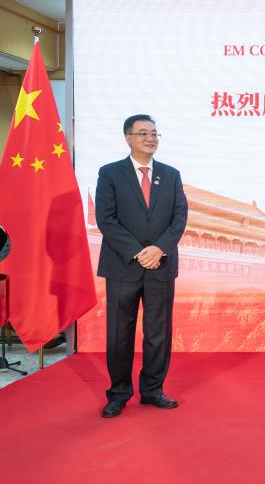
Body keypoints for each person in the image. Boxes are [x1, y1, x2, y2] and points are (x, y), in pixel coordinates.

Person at [95, 114, 188, 418]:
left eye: (155, 133)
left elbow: (179, 217)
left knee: (158, 332)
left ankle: (152, 390)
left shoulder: (171, 175)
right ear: (128, 138)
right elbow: (106, 219)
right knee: (120, 333)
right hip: (123, 266)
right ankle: (118, 393)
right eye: (143, 133)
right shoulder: (110, 173)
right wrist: (138, 252)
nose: (151, 138)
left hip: (161, 264)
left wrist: (159, 248)